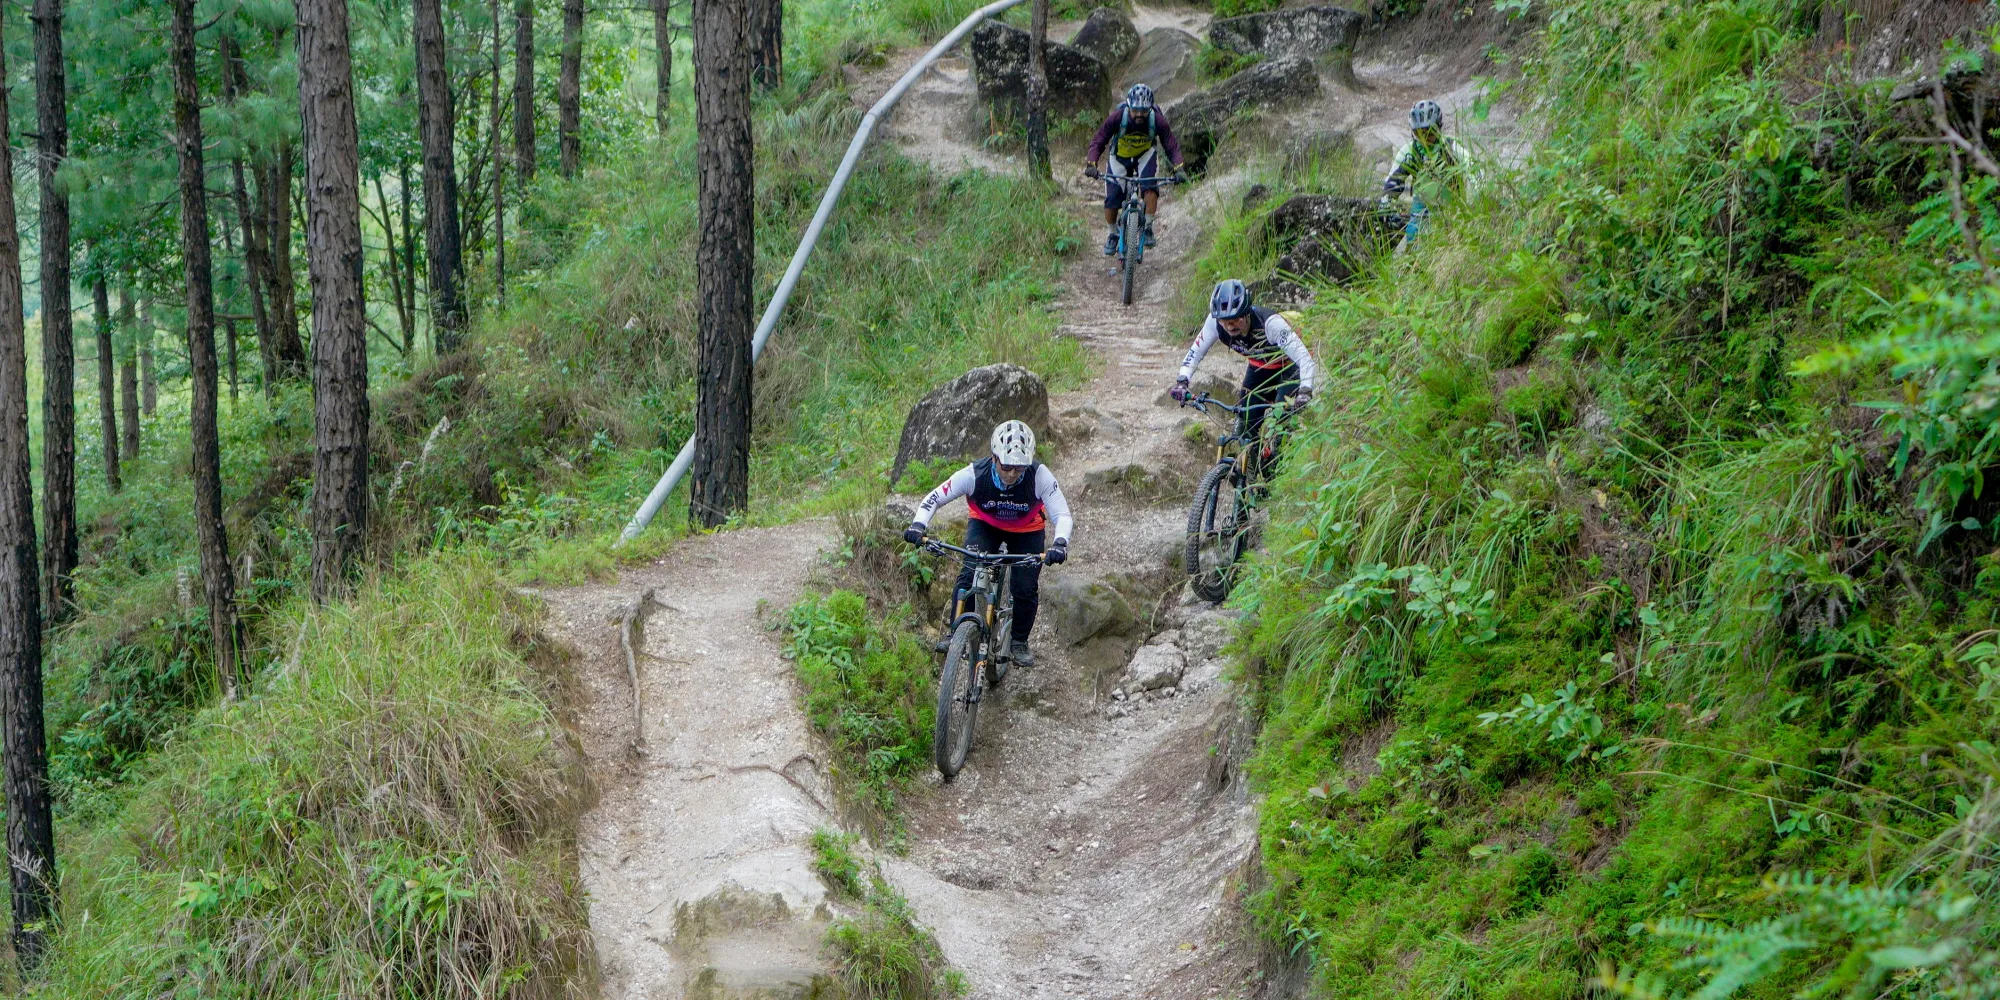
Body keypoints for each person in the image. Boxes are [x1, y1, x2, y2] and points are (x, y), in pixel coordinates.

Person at [904, 420, 1072, 668]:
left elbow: (1062, 515)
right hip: (985, 524)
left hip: (1027, 529)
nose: (1013, 474)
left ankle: (1019, 641)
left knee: (1024, 587)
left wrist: (1060, 543)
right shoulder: (973, 474)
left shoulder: (1040, 476)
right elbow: (935, 497)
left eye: (1019, 468)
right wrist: (918, 525)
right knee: (969, 571)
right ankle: (956, 632)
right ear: (994, 457)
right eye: (1007, 466)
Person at [1170, 279, 1318, 471]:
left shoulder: (1271, 324)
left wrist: (1305, 391)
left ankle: (1279, 470)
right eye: (1225, 321)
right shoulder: (1215, 323)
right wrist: (1182, 380)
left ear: (1247, 312)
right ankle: (1251, 474)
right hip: (1259, 367)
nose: (1230, 326)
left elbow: (1305, 359)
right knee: (1245, 421)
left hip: (1288, 367)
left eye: (1236, 319)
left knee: (1282, 421)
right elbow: (1195, 352)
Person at [1084, 84, 1186, 255]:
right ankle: (1113, 234)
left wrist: (1179, 168)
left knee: (1150, 188)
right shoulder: (1117, 117)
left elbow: (1171, 146)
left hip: (1145, 155)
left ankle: (1147, 227)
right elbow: (1099, 140)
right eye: (1136, 110)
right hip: (1119, 157)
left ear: (1150, 109)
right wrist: (1092, 163)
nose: (1139, 114)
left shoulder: (1157, 120)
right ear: (1129, 106)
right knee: (1112, 198)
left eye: (1143, 111)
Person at [1381, 100, 1471, 250]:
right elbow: (1393, 182)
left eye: (1429, 134)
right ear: (1413, 132)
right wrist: (1387, 206)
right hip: (1421, 204)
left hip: (1451, 205)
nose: (1424, 139)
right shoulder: (1409, 152)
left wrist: (1476, 199)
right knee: (1415, 237)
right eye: (1419, 134)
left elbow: (1473, 170)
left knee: (1452, 243)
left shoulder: (1451, 148)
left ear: (1438, 128)